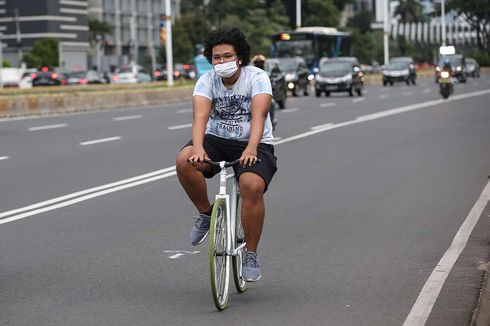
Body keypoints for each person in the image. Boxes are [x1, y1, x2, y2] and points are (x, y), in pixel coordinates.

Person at [176, 28, 277, 282]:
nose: (222, 62)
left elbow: (259, 115)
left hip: (254, 141)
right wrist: (198, 148)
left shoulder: (257, 77)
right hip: (216, 139)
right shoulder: (207, 80)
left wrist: (251, 148)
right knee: (184, 161)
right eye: (216, 57)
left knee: (250, 185)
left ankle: (251, 254)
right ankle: (206, 214)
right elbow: (199, 116)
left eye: (227, 56)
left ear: (239, 56)